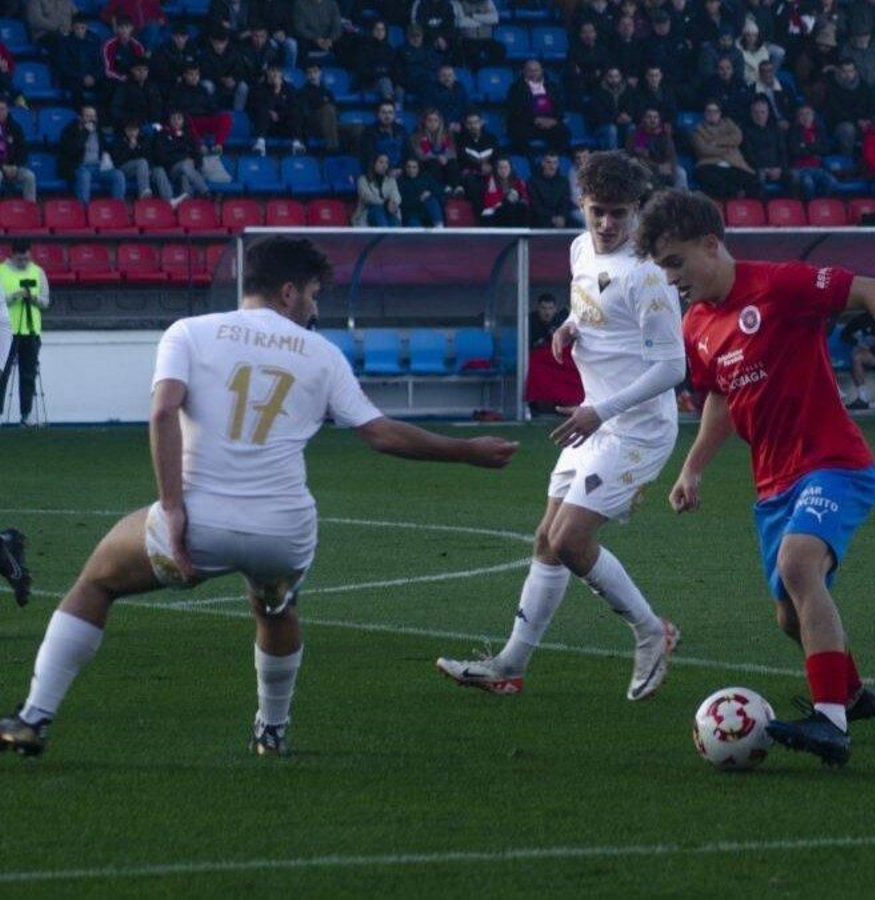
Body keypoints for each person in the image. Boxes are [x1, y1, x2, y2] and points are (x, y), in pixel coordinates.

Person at [0, 237, 518, 757]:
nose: (316, 309)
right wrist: (467, 449)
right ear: (288, 292)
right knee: (275, 609)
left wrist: (173, 507)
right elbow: (380, 434)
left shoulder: (189, 332)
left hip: (199, 522)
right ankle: (271, 731)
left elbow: (162, 414)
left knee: (96, 582)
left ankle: (35, 717)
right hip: (283, 532)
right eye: (314, 295)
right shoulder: (323, 354)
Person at [642, 189, 875, 767]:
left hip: (835, 462)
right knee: (788, 613)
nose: (670, 278)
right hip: (773, 485)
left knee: (799, 566)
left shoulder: (778, 285)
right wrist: (692, 467)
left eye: (676, 262)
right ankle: (850, 692)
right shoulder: (697, 326)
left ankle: (831, 723)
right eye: (661, 268)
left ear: (711, 244)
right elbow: (723, 399)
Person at [438, 153, 684, 702]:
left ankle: (651, 632)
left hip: (635, 428)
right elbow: (595, 303)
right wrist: (571, 326)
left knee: (571, 539)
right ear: (582, 205)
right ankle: (510, 664)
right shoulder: (579, 248)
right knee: (547, 541)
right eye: (598, 212)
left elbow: (674, 368)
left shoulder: (648, 275)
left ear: (637, 211)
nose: (607, 225)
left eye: (619, 214)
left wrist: (601, 410)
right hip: (593, 419)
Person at [0, 240, 47, 426]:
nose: (23, 263)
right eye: (20, 259)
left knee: (28, 374)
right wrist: (14, 297)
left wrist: (33, 298)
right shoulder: (1, 272)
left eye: (26, 259)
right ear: (13, 255)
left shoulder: (38, 272)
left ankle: (26, 415)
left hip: (31, 329)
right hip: (5, 331)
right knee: (1, 373)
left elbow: (45, 301)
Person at [59, 105, 127, 205]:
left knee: (118, 175)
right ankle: (83, 210)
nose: (91, 119)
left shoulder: (98, 131)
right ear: (80, 118)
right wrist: (85, 132)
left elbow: (105, 148)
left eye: (93, 116)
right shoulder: (70, 130)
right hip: (79, 166)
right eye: (88, 116)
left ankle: (117, 208)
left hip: (98, 167)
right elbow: (71, 150)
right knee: (84, 175)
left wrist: (106, 156)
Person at [691, 101, 760, 199]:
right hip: (709, 164)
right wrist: (729, 148)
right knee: (713, 181)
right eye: (709, 111)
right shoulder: (698, 129)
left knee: (754, 181)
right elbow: (704, 150)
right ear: (705, 114)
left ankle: (752, 210)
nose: (712, 114)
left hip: (733, 163)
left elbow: (738, 137)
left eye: (715, 111)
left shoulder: (728, 123)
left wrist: (717, 142)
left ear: (720, 113)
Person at [839, 311, 875, 411]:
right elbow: (844, 335)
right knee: (857, 357)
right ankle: (862, 398)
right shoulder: (862, 319)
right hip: (873, 355)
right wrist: (859, 343)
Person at [152, 108, 210, 202]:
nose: (176, 121)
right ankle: (205, 191)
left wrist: (195, 162)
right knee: (184, 165)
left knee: (185, 175)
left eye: (179, 118)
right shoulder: (162, 134)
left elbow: (196, 154)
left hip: (187, 169)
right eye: (173, 118)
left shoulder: (188, 135)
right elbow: (160, 156)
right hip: (170, 169)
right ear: (169, 120)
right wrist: (184, 158)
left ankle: (185, 202)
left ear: (183, 120)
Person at [0, 98, 34, 201]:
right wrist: (3, 167)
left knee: (29, 176)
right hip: (0, 168)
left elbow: (23, 150)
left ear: (8, 110)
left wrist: (16, 166)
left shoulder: (16, 127)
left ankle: (30, 211)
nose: (0, 112)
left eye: (2, 109)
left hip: (14, 168)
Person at [480, 155, 529, 226]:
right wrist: (506, 200)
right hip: (498, 213)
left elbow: (525, 199)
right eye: (500, 168)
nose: (503, 170)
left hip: (514, 210)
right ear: (496, 169)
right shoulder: (492, 181)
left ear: (510, 168)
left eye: (506, 167)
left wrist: (519, 198)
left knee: (523, 208)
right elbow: (491, 203)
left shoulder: (517, 181)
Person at [353, 154, 400, 226]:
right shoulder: (363, 180)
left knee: (394, 220)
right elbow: (368, 197)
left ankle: (394, 236)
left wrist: (393, 202)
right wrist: (386, 203)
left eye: (386, 163)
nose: (384, 165)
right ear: (374, 164)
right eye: (381, 162)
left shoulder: (391, 180)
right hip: (368, 212)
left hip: (387, 211)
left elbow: (396, 195)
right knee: (378, 210)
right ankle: (385, 235)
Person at [528, 151, 572, 227]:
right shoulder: (532, 182)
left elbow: (565, 203)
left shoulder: (564, 182)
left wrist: (562, 216)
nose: (552, 166)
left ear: (558, 164)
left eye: (555, 163)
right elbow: (535, 205)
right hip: (540, 218)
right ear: (543, 163)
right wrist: (552, 218)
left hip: (560, 218)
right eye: (549, 162)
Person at [396, 156, 443, 227]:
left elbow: (439, 191)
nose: (411, 170)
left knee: (432, 200)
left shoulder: (426, 178)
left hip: (427, 212)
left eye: (414, 167)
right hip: (411, 214)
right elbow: (402, 203)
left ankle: (439, 226)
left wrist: (430, 193)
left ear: (418, 168)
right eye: (409, 167)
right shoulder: (401, 182)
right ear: (405, 168)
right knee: (415, 228)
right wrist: (419, 199)